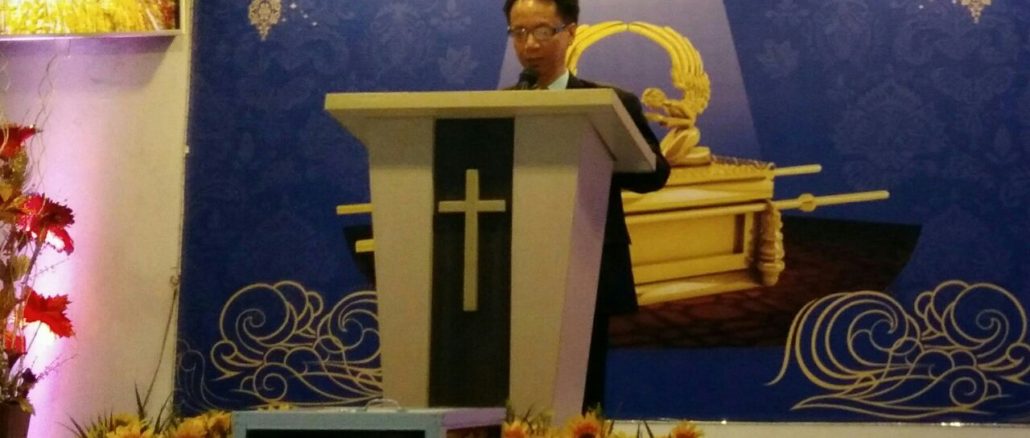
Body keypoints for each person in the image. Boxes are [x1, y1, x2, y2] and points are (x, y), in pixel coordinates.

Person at [502, 0, 671, 412]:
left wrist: (601, 156)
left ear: (571, 31)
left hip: (588, 258)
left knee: (583, 386)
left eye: (543, 31)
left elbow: (655, 174)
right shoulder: (499, 106)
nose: (530, 44)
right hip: (516, 261)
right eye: (519, 33)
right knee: (515, 383)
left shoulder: (608, 103)